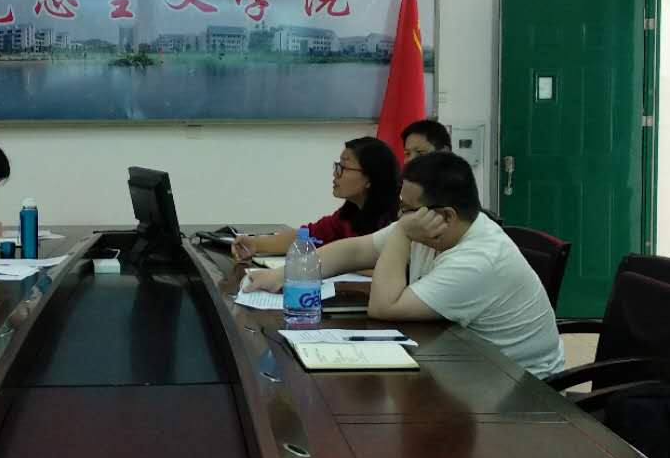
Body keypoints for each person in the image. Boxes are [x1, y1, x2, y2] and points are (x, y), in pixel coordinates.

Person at [244, 152, 563, 379]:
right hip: (467, 364)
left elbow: (384, 307)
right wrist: (282, 275)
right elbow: (354, 251)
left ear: (446, 215)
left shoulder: (479, 259)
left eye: (407, 209)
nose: (400, 216)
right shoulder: (429, 227)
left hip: (521, 391)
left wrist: (402, 234)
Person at [231, 137, 399, 261]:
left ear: (370, 178)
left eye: (343, 168)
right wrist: (255, 244)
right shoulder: (348, 215)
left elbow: (389, 267)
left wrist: (341, 259)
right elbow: (306, 237)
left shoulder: (395, 220)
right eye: (337, 166)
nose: (335, 174)